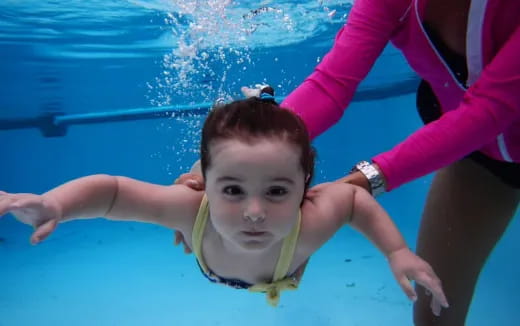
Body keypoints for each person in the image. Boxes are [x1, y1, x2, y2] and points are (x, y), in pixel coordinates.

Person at [176, 0, 520, 325]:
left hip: (480, 143)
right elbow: (331, 84)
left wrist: (333, 199)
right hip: (482, 163)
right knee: (435, 310)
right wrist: (218, 168)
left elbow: (490, 111)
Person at [0, 90, 448, 312]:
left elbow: (354, 202)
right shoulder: (190, 207)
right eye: (232, 190)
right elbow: (114, 192)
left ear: (305, 186)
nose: (255, 213)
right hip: (203, 208)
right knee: (194, 189)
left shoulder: (311, 217)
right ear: (210, 188)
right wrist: (54, 204)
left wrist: (397, 251)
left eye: (278, 191)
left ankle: (254, 110)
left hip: (247, 222)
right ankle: (224, 141)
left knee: (244, 171)